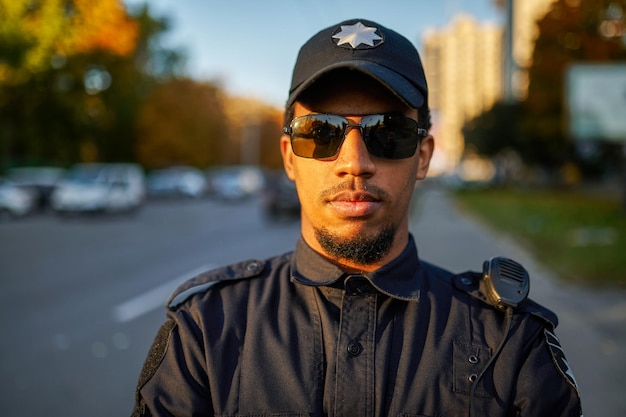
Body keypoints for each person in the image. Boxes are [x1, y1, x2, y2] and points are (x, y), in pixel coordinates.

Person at [131, 18, 582, 417]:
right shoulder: (206, 329)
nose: (354, 162)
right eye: (321, 133)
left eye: (387, 133)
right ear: (289, 158)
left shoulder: (508, 341)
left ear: (423, 156)